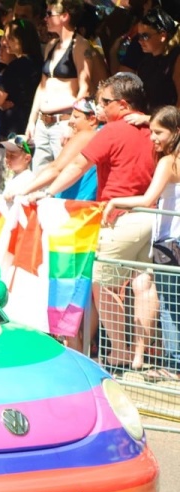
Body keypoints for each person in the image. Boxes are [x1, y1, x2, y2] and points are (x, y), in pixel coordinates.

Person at [25, 72, 156, 373]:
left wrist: (48, 192)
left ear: (122, 105)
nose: (99, 108)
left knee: (101, 282)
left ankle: (121, 352)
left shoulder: (111, 131)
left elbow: (76, 165)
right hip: (151, 216)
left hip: (118, 217)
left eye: (104, 102)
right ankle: (139, 356)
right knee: (143, 283)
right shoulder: (153, 128)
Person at [104, 106, 180, 379]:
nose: (152, 138)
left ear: (176, 133)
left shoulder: (168, 162)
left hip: (170, 239)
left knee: (171, 303)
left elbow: (148, 199)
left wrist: (115, 201)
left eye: (158, 132)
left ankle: (175, 366)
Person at [25, 0, 97, 172]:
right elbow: (42, 86)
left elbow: (85, 88)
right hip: (43, 122)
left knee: (61, 174)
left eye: (50, 14)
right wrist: (31, 121)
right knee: (39, 176)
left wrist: (73, 124)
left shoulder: (80, 45)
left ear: (65, 16)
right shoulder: (51, 46)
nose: (45, 18)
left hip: (63, 122)